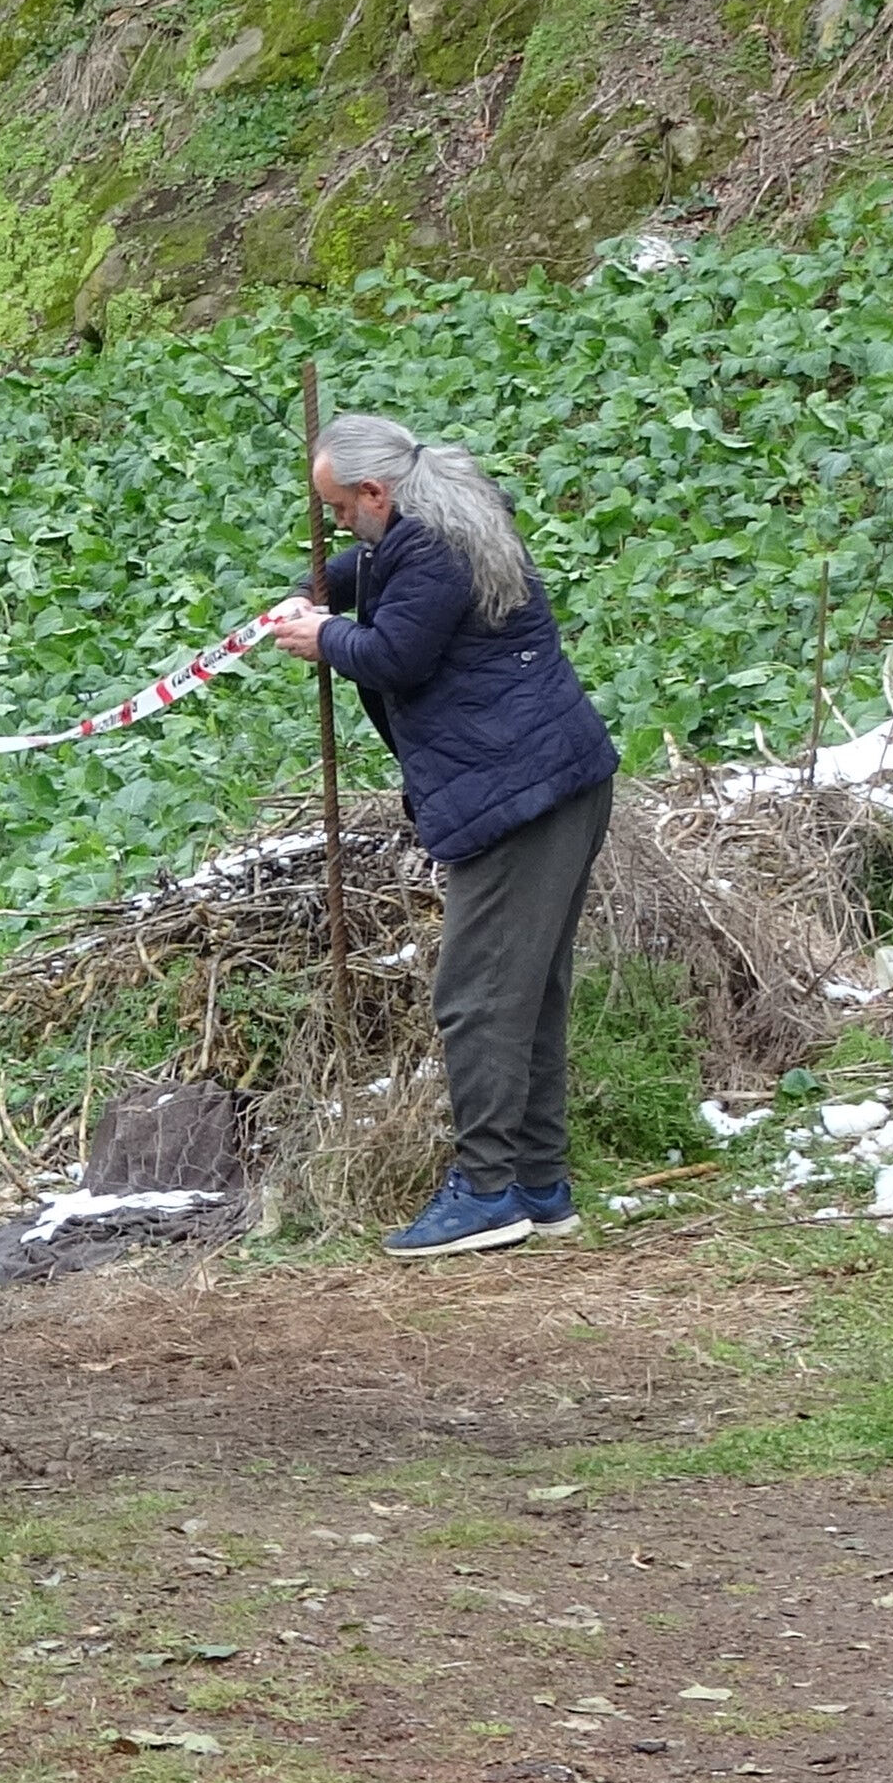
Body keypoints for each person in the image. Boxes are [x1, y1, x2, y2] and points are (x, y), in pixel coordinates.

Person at [266, 414, 620, 1258]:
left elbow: (397, 655)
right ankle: (539, 1182)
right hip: (548, 778)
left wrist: (324, 637)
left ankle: (490, 1190)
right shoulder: (442, 513)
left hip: (518, 793)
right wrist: (318, 591)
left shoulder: (433, 547)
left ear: (376, 492)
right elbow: (369, 572)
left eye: (340, 511)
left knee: (477, 998)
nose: (338, 528)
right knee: (528, 993)